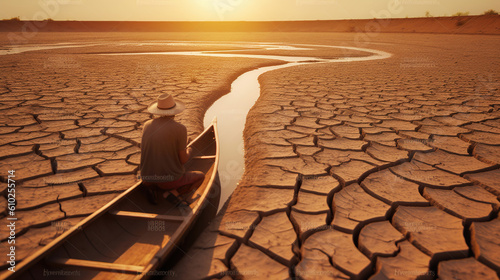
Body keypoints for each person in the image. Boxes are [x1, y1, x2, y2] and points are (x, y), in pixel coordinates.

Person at [140, 93, 204, 204]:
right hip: (168, 181)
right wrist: (189, 150)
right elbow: (183, 160)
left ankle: (152, 189)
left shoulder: (147, 124)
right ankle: (173, 193)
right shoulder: (180, 128)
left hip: (147, 178)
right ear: (174, 111)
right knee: (200, 176)